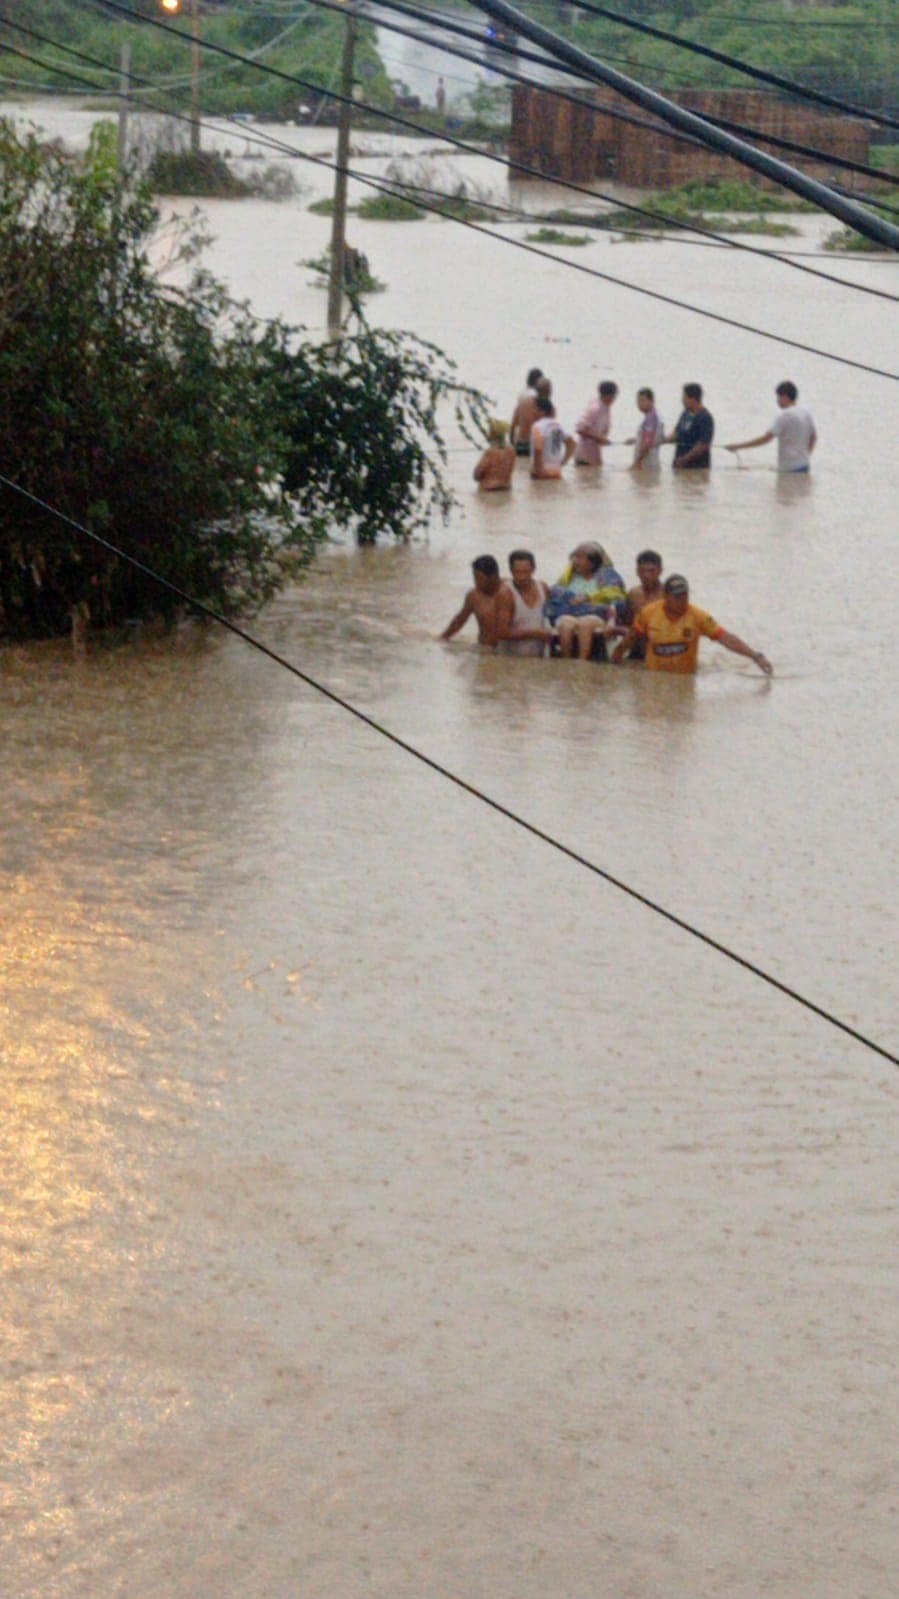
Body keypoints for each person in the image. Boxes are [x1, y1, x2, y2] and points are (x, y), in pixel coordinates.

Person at [612, 574, 772, 675]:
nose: (682, 601)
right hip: (654, 677)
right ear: (665, 596)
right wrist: (615, 660)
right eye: (677, 597)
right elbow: (631, 638)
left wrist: (756, 656)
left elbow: (726, 638)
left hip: (685, 679)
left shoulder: (698, 617)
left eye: (685, 595)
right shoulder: (649, 613)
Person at [548, 542, 626, 660]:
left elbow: (616, 596)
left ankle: (582, 662)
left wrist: (588, 597)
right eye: (575, 557)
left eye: (580, 558)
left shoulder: (607, 577)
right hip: (570, 613)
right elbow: (556, 593)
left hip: (596, 615)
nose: (575, 561)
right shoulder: (570, 577)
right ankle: (565, 661)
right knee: (565, 624)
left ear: (592, 563)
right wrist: (570, 598)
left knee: (585, 623)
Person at [725, 380, 817, 473]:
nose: (777, 401)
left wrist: (737, 446)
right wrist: (806, 456)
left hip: (788, 468)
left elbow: (766, 439)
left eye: (778, 397)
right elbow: (813, 437)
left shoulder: (784, 415)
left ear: (785, 397)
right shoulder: (805, 413)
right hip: (804, 465)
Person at [495, 550, 553, 657]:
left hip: (538, 658)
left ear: (534, 569)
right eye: (517, 572)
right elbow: (501, 632)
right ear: (511, 571)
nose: (522, 577)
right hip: (510, 659)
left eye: (526, 572)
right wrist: (535, 633)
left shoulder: (543, 588)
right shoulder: (506, 594)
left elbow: (551, 617)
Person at [440, 555, 503, 646]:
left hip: (508, 651)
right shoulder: (474, 596)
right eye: (474, 578)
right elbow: (460, 620)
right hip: (484, 649)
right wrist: (443, 637)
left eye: (479, 578)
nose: (475, 582)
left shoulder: (510, 591)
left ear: (493, 577)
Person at [666, 383, 714, 470]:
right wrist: (662, 440)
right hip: (679, 464)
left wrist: (685, 459)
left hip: (697, 467)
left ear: (693, 399)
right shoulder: (685, 413)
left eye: (684, 398)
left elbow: (703, 444)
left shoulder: (705, 417)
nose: (682, 401)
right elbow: (676, 432)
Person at [574, 380, 618, 466]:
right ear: (608, 396)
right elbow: (580, 428)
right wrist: (599, 438)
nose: (614, 399)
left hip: (594, 456)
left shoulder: (606, 408)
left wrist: (603, 439)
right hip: (584, 458)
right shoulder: (595, 408)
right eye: (614, 396)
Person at [530, 396, 575, 479]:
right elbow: (572, 443)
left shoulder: (538, 426)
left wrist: (538, 469)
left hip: (542, 471)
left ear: (542, 411)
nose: (532, 412)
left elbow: (538, 448)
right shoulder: (558, 425)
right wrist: (563, 462)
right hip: (556, 471)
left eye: (534, 409)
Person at [627, 388, 665, 471]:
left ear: (652, 401)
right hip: (650, 460)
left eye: (643, 400)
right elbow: (654, 438)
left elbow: (647, 443)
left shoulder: (651, 418)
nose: (640, 404)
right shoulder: (654, 416)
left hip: (647, 462)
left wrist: (637, 462)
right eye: (638, 401)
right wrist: (636, 440)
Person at [473, 420, 516, 491]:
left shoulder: (490, 452)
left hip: (488, 489)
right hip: (505, 488)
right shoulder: (512, 451)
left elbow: (477, 475)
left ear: (492, 434)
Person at [510, 367, 543, 456]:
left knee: (521, 463)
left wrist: (512, 438)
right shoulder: (536, 396)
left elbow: (515, 418)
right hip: (531, 440)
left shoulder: (522, 394)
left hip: (519, 438)